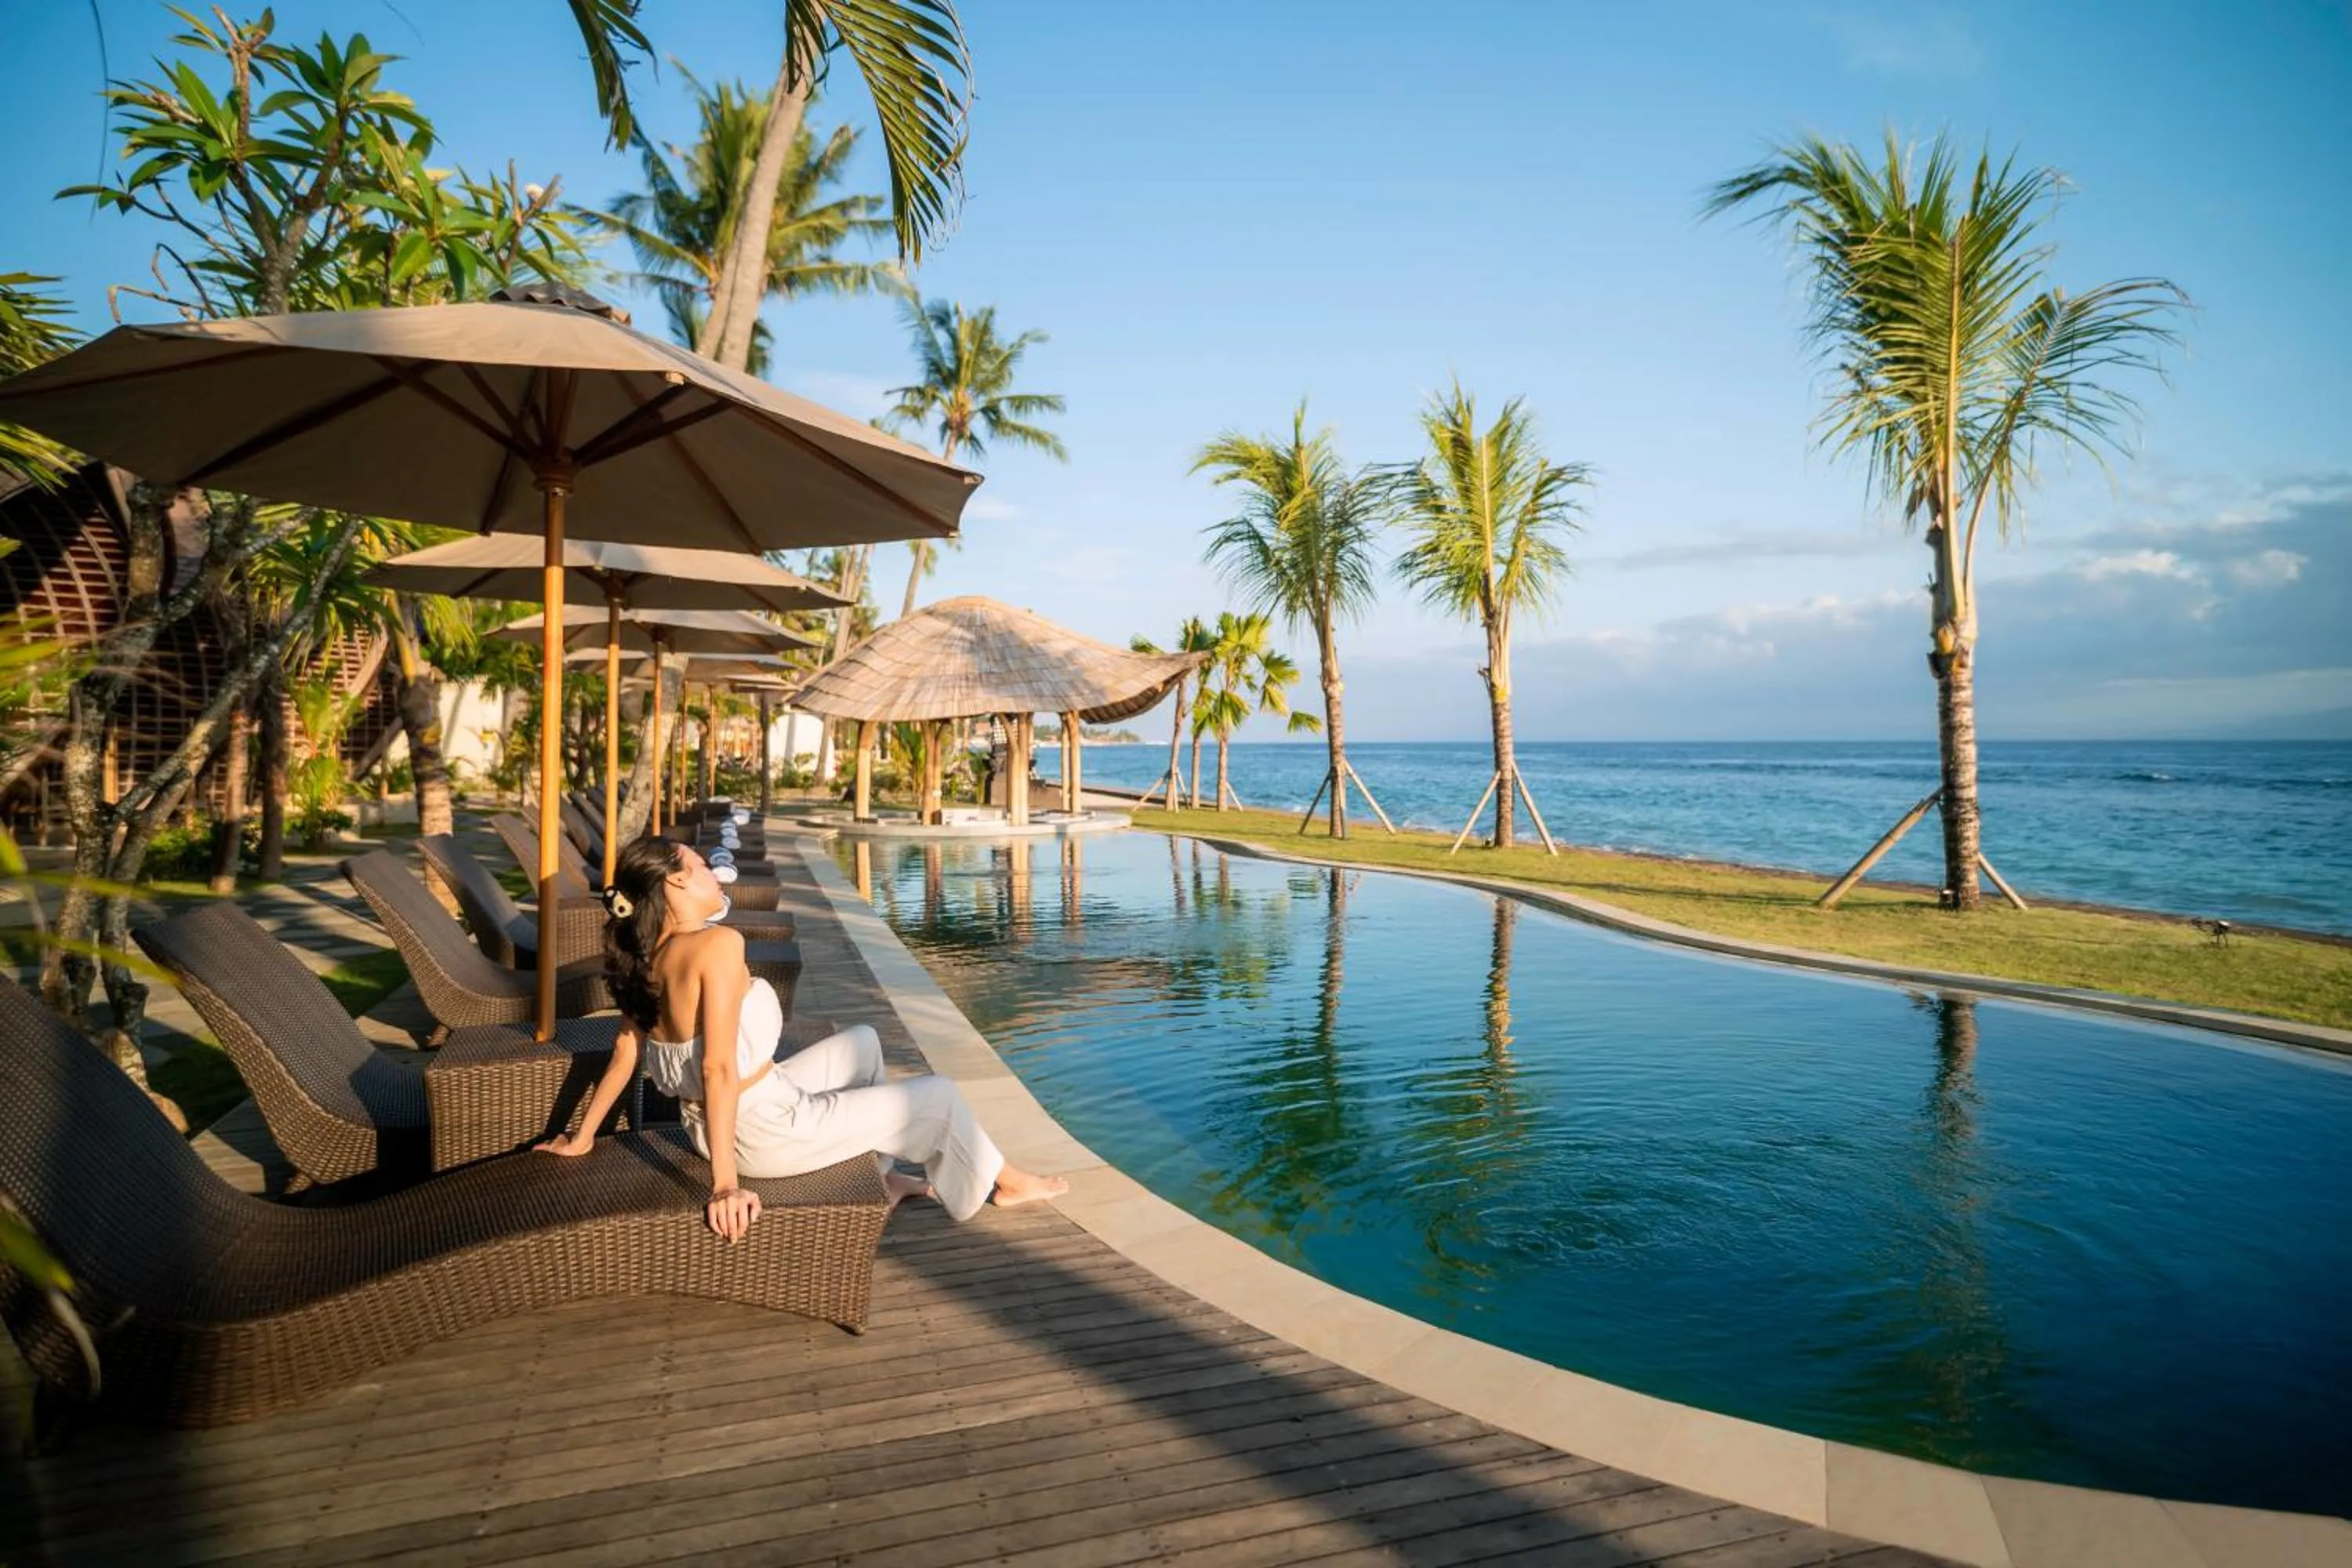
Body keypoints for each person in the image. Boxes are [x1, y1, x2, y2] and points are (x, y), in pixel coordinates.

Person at [539, 836, 1068, 1240]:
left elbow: (625, 1054)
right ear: (675, 883)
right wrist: (725, 1184)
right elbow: (717, 1068)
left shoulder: (646, 955)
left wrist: (584, 1137)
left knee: (863, 1042)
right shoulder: (716, 946)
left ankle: (885, 1177)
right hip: (761, 1130)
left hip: (725, 1115)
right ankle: (1005, 1180)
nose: (715, 873)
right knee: (940, 1095)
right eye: (701, 866)